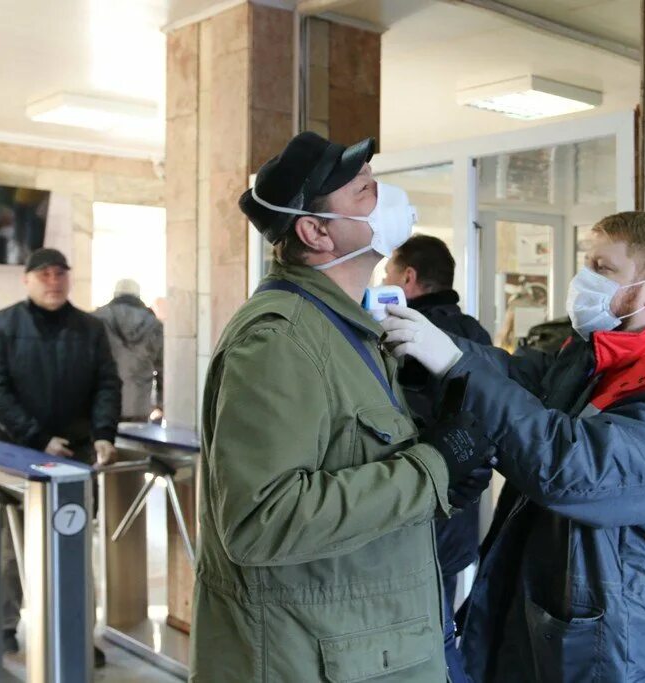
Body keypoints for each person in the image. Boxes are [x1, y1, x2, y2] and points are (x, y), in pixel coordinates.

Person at [382, 211, 645, 681]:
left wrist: (459, 366)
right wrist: (432, 352)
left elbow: (576, 470)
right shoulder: (592, 353)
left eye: (603, 269)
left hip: (622, 632)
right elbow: (518, 383)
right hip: (558, 594)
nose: (584, 280)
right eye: (587, 264)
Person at [190, 132, 494, 683]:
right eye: (365, 192)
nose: (389, 200)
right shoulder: (279, 340)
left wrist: (441, 475)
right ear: (315, 231)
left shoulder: (344, 326)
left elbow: (351, 461)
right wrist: (430, 469)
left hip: (368, 647)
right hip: (313, 658)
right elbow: (263, 519)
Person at [0, 247, 121, 666]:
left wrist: (102, 434)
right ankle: (4, 626)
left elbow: (106, 384)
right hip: (15, 453)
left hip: (76, 456)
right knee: (10, 545)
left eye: (60, 273)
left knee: (76, 544)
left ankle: (78, 629)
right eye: (43, 274)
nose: (53, 280)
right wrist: (39, 437)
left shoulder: (91, 328)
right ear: (26, 280)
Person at [382, 234, 493, 608]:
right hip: (458, 519)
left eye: (387, 274)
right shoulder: (474, 332)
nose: (383, 284)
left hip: (414, 516)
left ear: (408, 278)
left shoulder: (406, 335)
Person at [93, 279, 164, 422]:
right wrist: (161, 403)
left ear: (115, 295)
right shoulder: (154, 324)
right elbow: (163, 369)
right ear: (138, 296)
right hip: (138, 406)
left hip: (101, 404)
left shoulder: (96, 319)